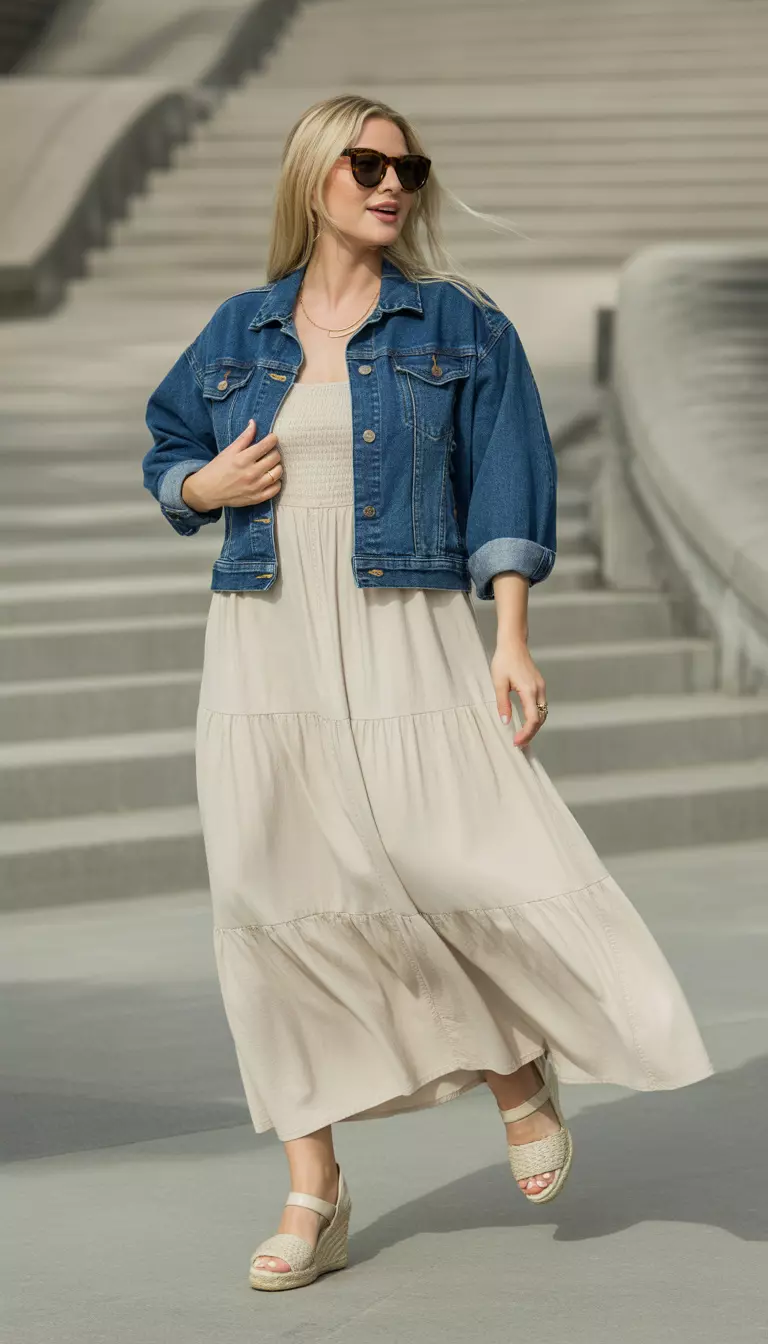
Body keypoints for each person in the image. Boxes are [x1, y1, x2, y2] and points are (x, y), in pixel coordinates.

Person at [142, 93, 714, 1293]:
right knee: (275, 893)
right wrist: (204, 486)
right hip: (263, 630)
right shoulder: (242, 327)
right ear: (314, 177)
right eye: (366, 163)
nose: (392, 183)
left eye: (408, 166)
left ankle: (518, 1068)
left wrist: (510, 635)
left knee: (444, 857)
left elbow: (511, 475)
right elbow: (166, 448)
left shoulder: (459, 324)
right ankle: (315, 1188)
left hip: (409, 621)